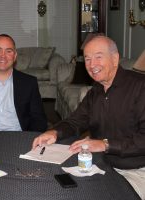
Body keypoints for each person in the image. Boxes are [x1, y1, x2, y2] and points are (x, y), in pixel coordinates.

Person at [32, 36, 145, 199]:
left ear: (115, 58)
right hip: (100, 165)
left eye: (99, 57)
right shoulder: (95, 92)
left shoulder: (140, 86)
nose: (92, 65)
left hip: (136, 170)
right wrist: (54, 132)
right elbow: (75, 121)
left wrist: (105, 144)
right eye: (87, 59)